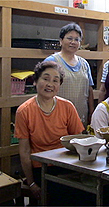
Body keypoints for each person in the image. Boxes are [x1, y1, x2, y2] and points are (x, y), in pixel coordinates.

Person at [15, 61, 84, 202]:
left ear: (59, 86)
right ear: (35, 81)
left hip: (66, 164)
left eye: (55, 81)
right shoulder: (24, 111)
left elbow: (79, 141)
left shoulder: (67, 106)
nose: (50, 84)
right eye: (45, 79)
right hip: (40, 168)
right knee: (55, 195)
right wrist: (32, 183)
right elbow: (24, 152)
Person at [44, 23, 94, 127]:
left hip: (81, 116)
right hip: (56, 115)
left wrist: (91, 113)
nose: (73, 42)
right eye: (69, 38)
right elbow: (43, 90)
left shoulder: (84, 63)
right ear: (61, 41)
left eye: (77, 39)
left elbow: (89, 90)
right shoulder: (52, 61)